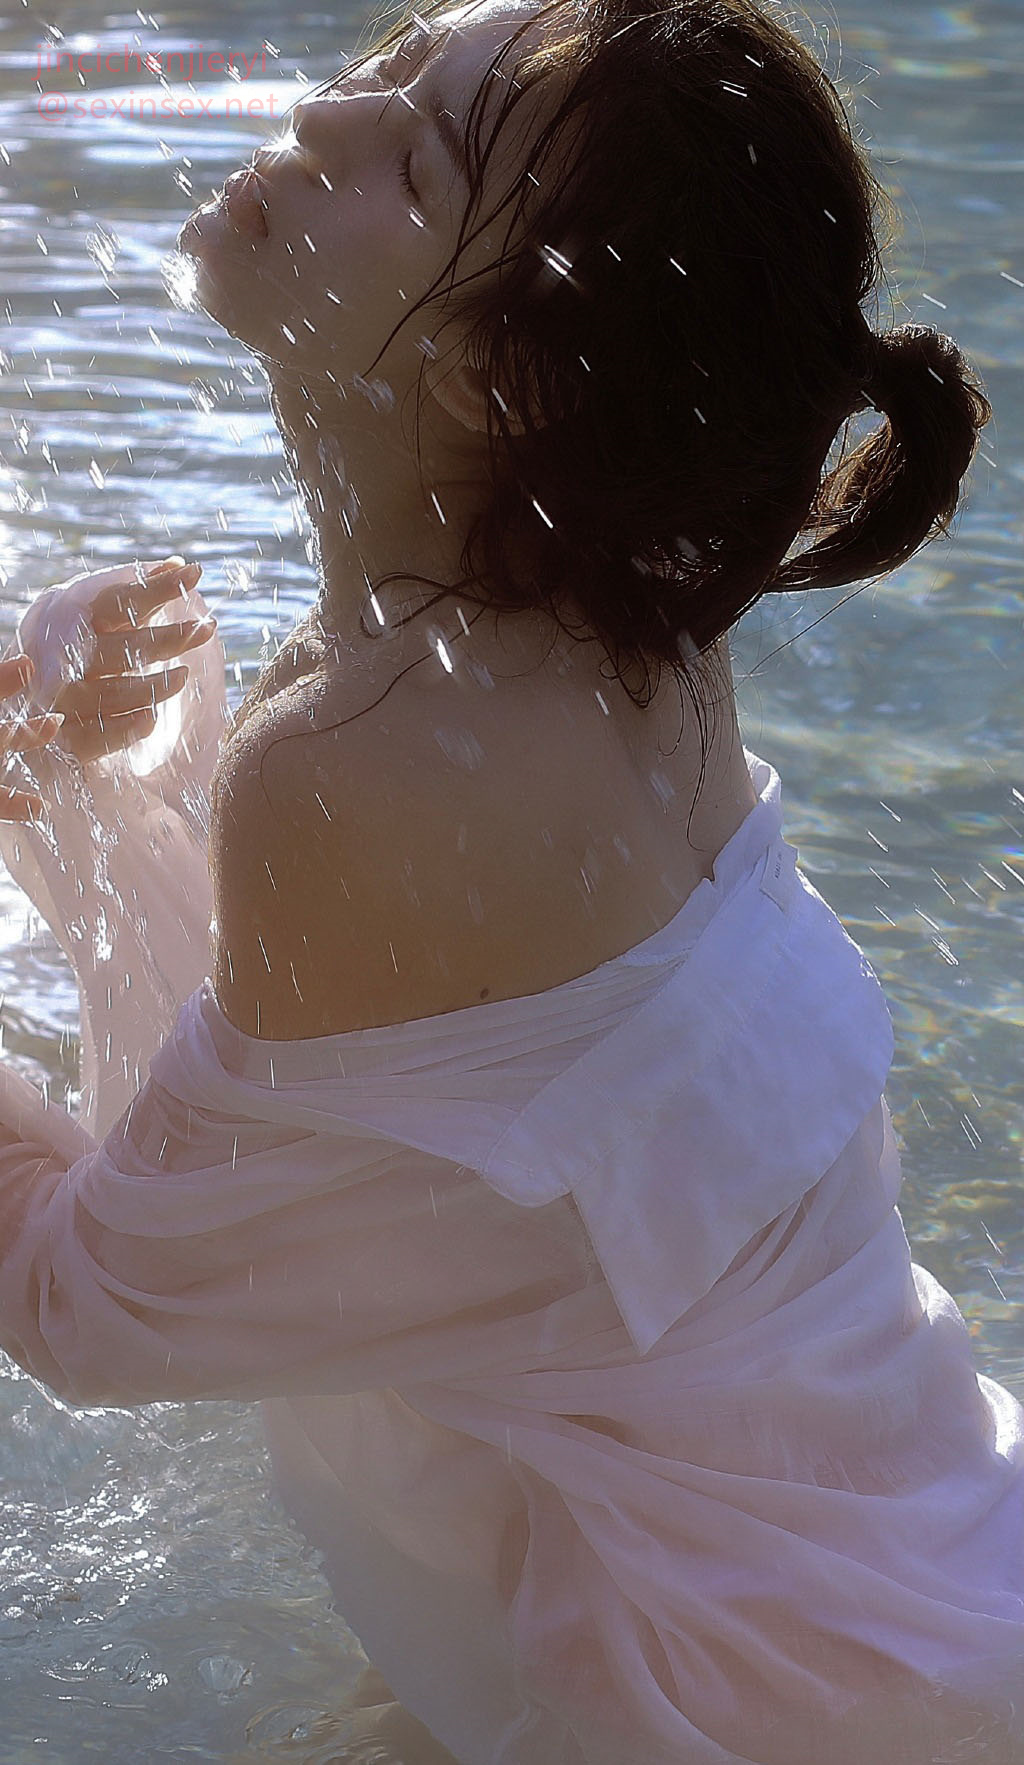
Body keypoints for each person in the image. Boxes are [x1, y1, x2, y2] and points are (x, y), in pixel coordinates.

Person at [0, 0, 1020, 1760]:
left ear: (504, 383)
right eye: (389, 63)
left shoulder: (371, 762)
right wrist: (78, 754)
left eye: (412, 158)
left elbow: (89, 1302)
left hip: (759, 1696)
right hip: (893, 1535)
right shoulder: (599, 637)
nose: (329, 112)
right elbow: (406, 1124)